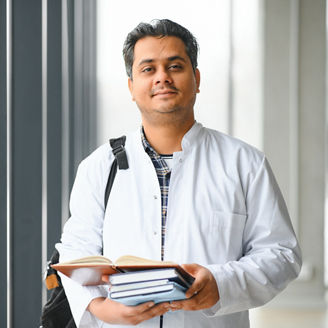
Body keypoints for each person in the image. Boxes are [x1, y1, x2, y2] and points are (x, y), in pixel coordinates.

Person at [56, 19, 302, 328]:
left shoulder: (245, 163)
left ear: (197, 79)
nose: (162, 77)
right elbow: (76, 251)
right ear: (132, 86)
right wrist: (99, 306)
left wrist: (221, 283)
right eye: (148, 69)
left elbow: (281, 254)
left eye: (175, 66)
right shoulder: (98, 166)